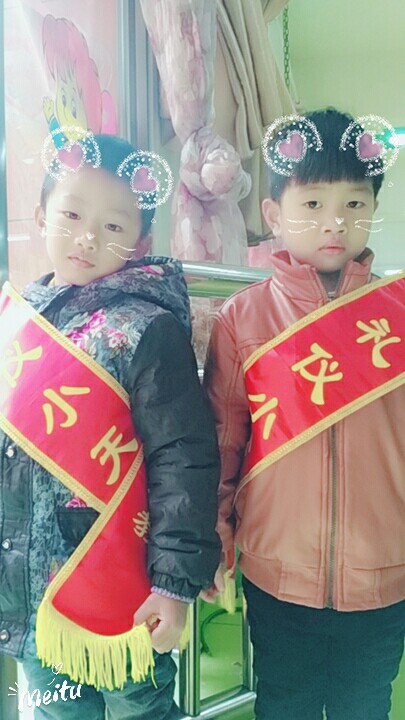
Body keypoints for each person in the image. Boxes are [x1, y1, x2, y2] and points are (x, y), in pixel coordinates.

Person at [0, 133, 220, 719]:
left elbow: (183, 458)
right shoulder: (17, 318)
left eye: (113, 226)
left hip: (122, 589)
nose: (88, 237)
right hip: (32, 594)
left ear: (141, 242)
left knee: (142, 711)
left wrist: (174, 586)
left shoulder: (148, 327)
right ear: (41, 216)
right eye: (72, 215)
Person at [203, 109, 405, 720]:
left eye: (354, 203)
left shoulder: (398, 312)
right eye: (312, 204)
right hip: (277, 571)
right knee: (283, 703)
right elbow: (223, 441)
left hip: (385, 572)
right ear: (274, 214)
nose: (334, 222)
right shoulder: (242, 318)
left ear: (374, 207)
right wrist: (214, 534)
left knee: (364, 706)